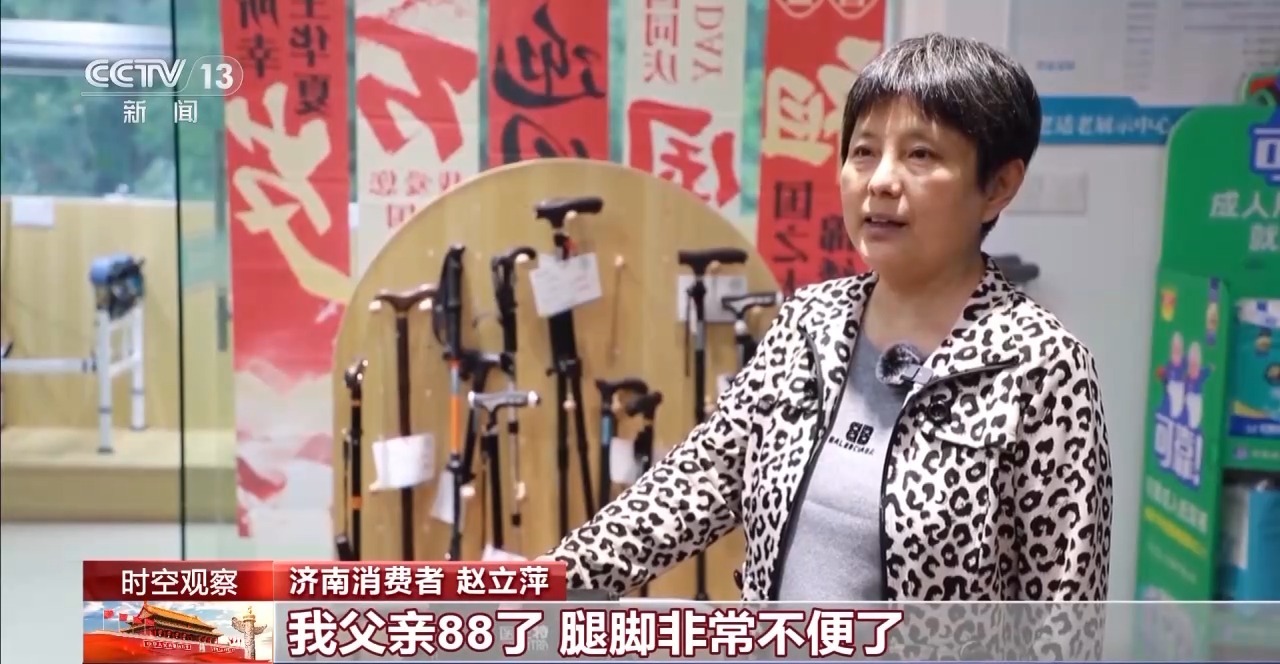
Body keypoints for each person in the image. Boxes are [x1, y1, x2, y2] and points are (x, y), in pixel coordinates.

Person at [545, 32, 1112, 654]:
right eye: (863, 151)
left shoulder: (1041, 366)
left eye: (920, 155)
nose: (881, 181)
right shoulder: (810, 323)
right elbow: (702, 478)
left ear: (998, 185)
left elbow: (1065, 619)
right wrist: (552, 583)